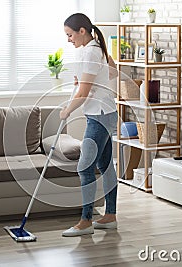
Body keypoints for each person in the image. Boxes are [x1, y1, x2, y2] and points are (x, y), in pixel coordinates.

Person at [60, 13, 119, 237]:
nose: (68, 39)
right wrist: (88, 80)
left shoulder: (92, 51)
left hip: (100, 115)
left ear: (82, 31)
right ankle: (110, 216)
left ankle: (86, 222)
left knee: (84, 167)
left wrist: (67, 110)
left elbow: (84, 93)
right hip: (103, 113)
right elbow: (111, 72)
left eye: (70, 35)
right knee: (105, 166)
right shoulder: (94, 49)